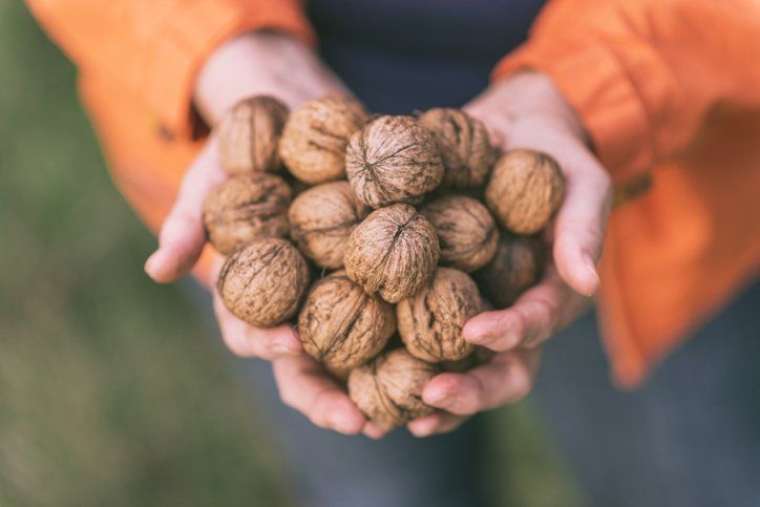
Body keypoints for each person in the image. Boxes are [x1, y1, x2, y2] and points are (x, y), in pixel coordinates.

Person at [27, 1, 760, 506]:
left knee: (689, 476)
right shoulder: (309, 229)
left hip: (664, 190)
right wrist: (220, 47)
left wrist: (601, 78)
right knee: (372, 482)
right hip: (248, 108)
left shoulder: (457, 222)